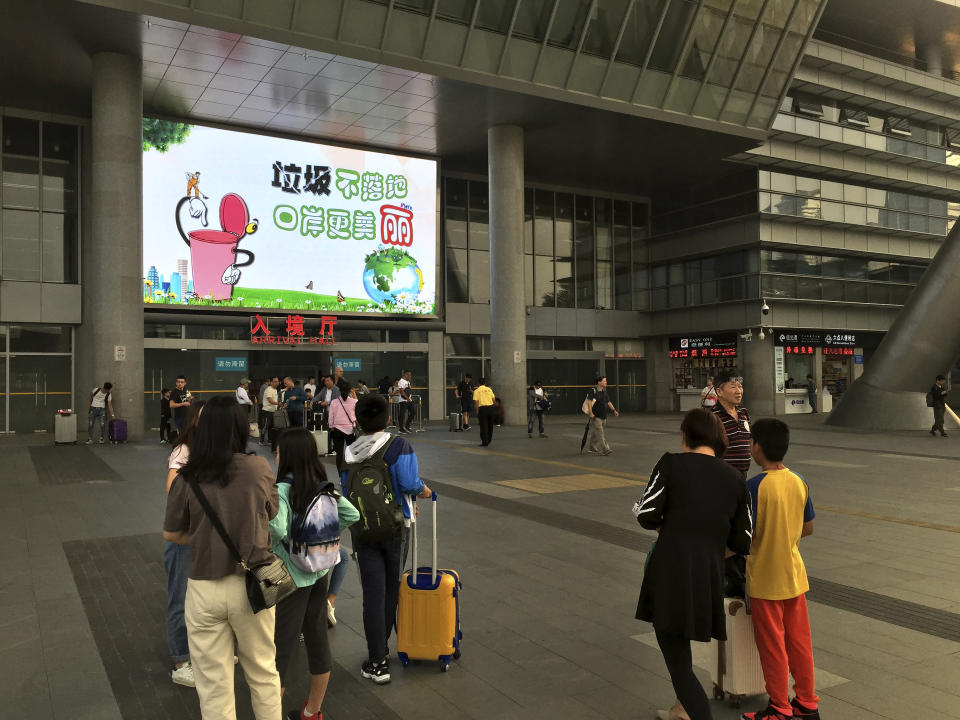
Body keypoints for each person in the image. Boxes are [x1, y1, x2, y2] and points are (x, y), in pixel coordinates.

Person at [162, 396, 282, 719]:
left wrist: (204, 536)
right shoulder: (258, 468)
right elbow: (272, 513)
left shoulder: (187, 475)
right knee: (263, 673)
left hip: (203, 589)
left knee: (213, 686)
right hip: (252, 587)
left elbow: (172, 534)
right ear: (240, 429)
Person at [634, 408, 752, 720]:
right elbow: (743, 542)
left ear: (686, 436)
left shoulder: (671, 463)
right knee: (680, 645)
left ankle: (694, 711)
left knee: (677, 661)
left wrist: (672, 529)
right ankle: (680, 710)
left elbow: (646, 513)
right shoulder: (736, 480)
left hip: (670, 571)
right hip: (708, 576)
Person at [341, 394, 432, 685]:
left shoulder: (348, 451)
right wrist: (424, 490)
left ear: (357, 421)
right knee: (391, 587)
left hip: (362, 529)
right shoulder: (398, 445)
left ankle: (377, 660)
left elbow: (346, 492)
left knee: (372, 593)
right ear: (389, 419)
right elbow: (408, 483)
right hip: (396, 527)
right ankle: (391, 649)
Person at [270, 428, 359, 720]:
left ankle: (270, 714)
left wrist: (286, 544)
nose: (276, 454)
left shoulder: (282, 490)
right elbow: (351, 515)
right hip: (320, 574)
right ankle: (312, 711)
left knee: (280, 651)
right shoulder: (326, 488)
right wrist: (321, 541)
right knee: (317, 640)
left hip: (292, 579)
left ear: (288, 455)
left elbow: (278, 528)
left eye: (279, 450)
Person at [742, 419, 819, 720]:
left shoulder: (754, 486)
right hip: (795, 576)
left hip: (765, 579)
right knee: (799, 642)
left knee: (773, 646)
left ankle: (779, 707)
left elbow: (744, 534)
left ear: (757, 447)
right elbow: (808, 528)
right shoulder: (799, 481)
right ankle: (807, 702)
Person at [163, 399, 205, 688]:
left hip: (205, 537)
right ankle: (180, 661)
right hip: (183, 537)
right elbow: (173, 491)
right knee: (180, 598)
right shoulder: (184, 450)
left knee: (203, 598)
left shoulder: (214, 451)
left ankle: (202, 653)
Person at [711, 372, 752, 600]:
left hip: (742, 477)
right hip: (723, 481)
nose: (738, 390)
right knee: (729, 527)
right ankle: (732, 578)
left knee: (740, 524)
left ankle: (738, 575)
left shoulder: (744, 413)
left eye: (740, 386)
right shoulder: (713, 417)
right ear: (719, 391)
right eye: (733, 386)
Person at [584, 376, 619, 456]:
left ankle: (592, 447)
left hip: (603, 416)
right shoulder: (593, 391)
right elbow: (589, 402)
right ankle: (605, 449)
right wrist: (590, 413)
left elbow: (608, 402)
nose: (606, 382)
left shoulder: (604, 392)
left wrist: (614, 410)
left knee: (596, 432)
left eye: (605, 381)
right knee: (600, 433)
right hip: (595, 416)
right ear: (599, 382)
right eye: (604, 381)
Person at [328, 385, 358, 475]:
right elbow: (358, 412)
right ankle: (352, 473)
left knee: (339, 454)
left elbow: (331, 416)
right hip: (350, 429)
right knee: (351, 452)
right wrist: (354, 395)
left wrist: (331, 426)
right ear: (349, 391)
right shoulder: (354, 401)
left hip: (337, 429)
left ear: (340, 391)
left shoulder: (334, 402)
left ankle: (341, 476)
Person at [473, 378, 496, 447]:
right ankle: (489, 440)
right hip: (491, 408)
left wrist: (477, 412)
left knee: (483, 426)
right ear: (485, 383)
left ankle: (484, 442)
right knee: (490, 425)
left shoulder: (477, 391)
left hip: (482, 409)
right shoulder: (489, 389)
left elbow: (476, 402)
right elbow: (494, 399)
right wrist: (493, 407)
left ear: (478, 383)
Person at [261, 377, 279, 447]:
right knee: (266, 426)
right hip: (267, 411)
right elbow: (270, 400)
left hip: (273, 411)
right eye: (275, 381)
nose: (276, 383)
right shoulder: (268, 389)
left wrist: (278, 406)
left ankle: (269, 440)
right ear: (271, 382)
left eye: (277, 381)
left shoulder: (275, 390)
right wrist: (278, 404)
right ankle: (261, 440)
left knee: (271, 427)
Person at [395, 370, 414, 434]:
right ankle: (401, 429)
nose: (410, 376)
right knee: (402, 414)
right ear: (405, 374)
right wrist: (407, 398)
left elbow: (408, 390)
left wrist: (409, 398)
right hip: (403, 400)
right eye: (409, 375)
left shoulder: (407, 382)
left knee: (413, 412)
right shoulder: (401, 381)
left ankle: (407, 426)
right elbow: (401, 391)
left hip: (409, 400)